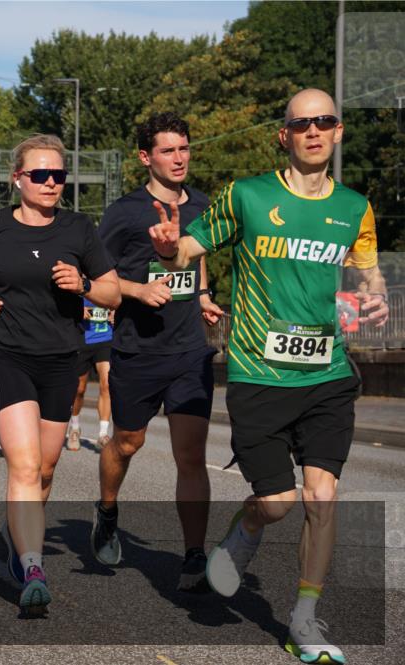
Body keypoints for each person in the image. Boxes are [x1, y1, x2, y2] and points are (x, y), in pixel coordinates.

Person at [149, 89, 388, 663]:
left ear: (338, 133)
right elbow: (187, 248)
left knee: (323, 497)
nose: (313, 130)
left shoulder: (355, 207)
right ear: (284, 135)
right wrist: (166, 249)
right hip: (260, 375)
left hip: (328, 375)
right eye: (301, 123)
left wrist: (376, 298)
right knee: (278, 502)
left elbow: (369, 275)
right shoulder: (248, 196)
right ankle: (247, 528)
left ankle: (305, 619)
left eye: (324, 121)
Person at [0, 134, 120, 613]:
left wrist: (84, 284)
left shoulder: (79, 229)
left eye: (58, 175)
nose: (51, 183)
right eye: (40, 175)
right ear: (17, 178)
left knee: (45, 469)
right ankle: (32, 566)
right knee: (23, 466)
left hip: (62, 359)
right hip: (4, 354)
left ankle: (17, 531)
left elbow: (111, 293)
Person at [92, 112, 224, 594]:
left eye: (184, 148)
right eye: (168, 150)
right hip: (137, 350)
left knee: (190, 455)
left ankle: (193, 555)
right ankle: (107, 510)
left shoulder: (205, 205)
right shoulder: (124, 213)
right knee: (128, 443)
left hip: (189, 350)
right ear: (146, 157)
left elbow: (199, 258)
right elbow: (97, 280)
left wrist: (204, 296)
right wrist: (138, 290)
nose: (179, 158)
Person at [68, 298, 113, 451]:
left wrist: (116, 310)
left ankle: (103, 434)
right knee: (79, 390)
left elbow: (118, 296)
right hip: (83, 338)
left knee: (107, 384)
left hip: (105, 338)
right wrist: (75, 309)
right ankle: (74, 428)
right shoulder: (78, 277)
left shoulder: (111, 276)